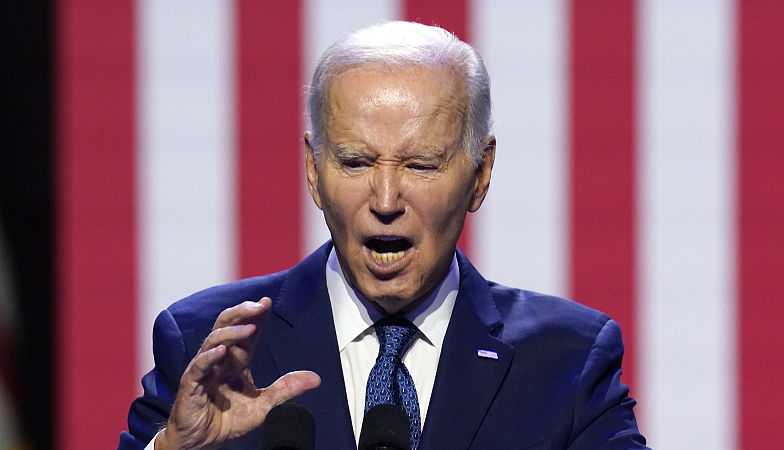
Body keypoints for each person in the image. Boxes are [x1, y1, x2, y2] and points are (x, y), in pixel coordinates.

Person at [119, 21, 649, 450]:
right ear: (313, 169)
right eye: (355, 162)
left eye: (420, 165)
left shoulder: (567, 359)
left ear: (480, 174)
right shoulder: (203, 346)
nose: (387, 201)